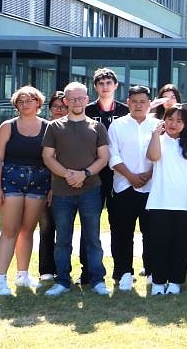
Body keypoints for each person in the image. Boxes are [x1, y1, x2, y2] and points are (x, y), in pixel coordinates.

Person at [41, 82, 110, 296]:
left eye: (81, 98)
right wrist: (68, 175)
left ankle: (97, 280)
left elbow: (104, 157)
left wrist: (84, 174)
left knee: (92, 238)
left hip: (91, 190)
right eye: (72, 99)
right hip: (62, 192)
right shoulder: (54, 127)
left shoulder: (97, 127)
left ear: (87, 99)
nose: (77, 102)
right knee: (63, 239)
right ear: (66, 101)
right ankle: (62, 281)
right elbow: (47, 157)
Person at [0, 86, 50, 296]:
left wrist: (52, 188)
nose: (25, 104)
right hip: (11, 180)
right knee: (9, 230)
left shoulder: (48, 127)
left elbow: (52, 159)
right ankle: (1, 280)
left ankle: (23, 275)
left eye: (29, 100)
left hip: (39, 181)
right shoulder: (8, 127)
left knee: (27, 230)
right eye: (20, 101)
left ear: (38, 103)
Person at [106, 86, 157, 293]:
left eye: (142, 101)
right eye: (134, 101)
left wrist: (150, 174)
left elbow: (162, 155)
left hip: (151, 187)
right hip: (123, 186)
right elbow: (113, 155)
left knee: (151, 232)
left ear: (149, 103)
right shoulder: (117, 125)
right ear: (128, 102)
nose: (138, 105)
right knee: (122, 232)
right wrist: (131, 176)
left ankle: (152, 270)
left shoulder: (157, 125)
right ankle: (124, 272)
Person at [145, 106, 187, 295]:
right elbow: (153, 156)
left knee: (181, 244)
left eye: (179, 121)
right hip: (160, 201)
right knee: (159, 244)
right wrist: (155, 134)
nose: (173, 124)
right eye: (170, 119)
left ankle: (175, 281)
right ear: (163, 120)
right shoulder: (157, 140)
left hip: (185, 202)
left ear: (186, 124)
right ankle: (158, 281)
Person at [85, 68, 128, 215]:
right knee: (91, 214)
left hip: (118, 168)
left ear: (116, 85)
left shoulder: (125, 111)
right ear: (95, 86)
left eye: (109, 83)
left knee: (117, 214)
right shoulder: (87, 111)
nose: (105, 87)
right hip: (94, 168)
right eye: (101, 83)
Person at [36, 91, 69, 282]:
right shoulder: (43, 128)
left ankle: (64, 270)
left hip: (64, 185)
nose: (59, 110)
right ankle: (46, 269)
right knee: (47, 228)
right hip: (43, 184)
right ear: (49, 109)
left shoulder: (71, 129)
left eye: (63, 107)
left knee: (64, 230)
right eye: (55, 106)